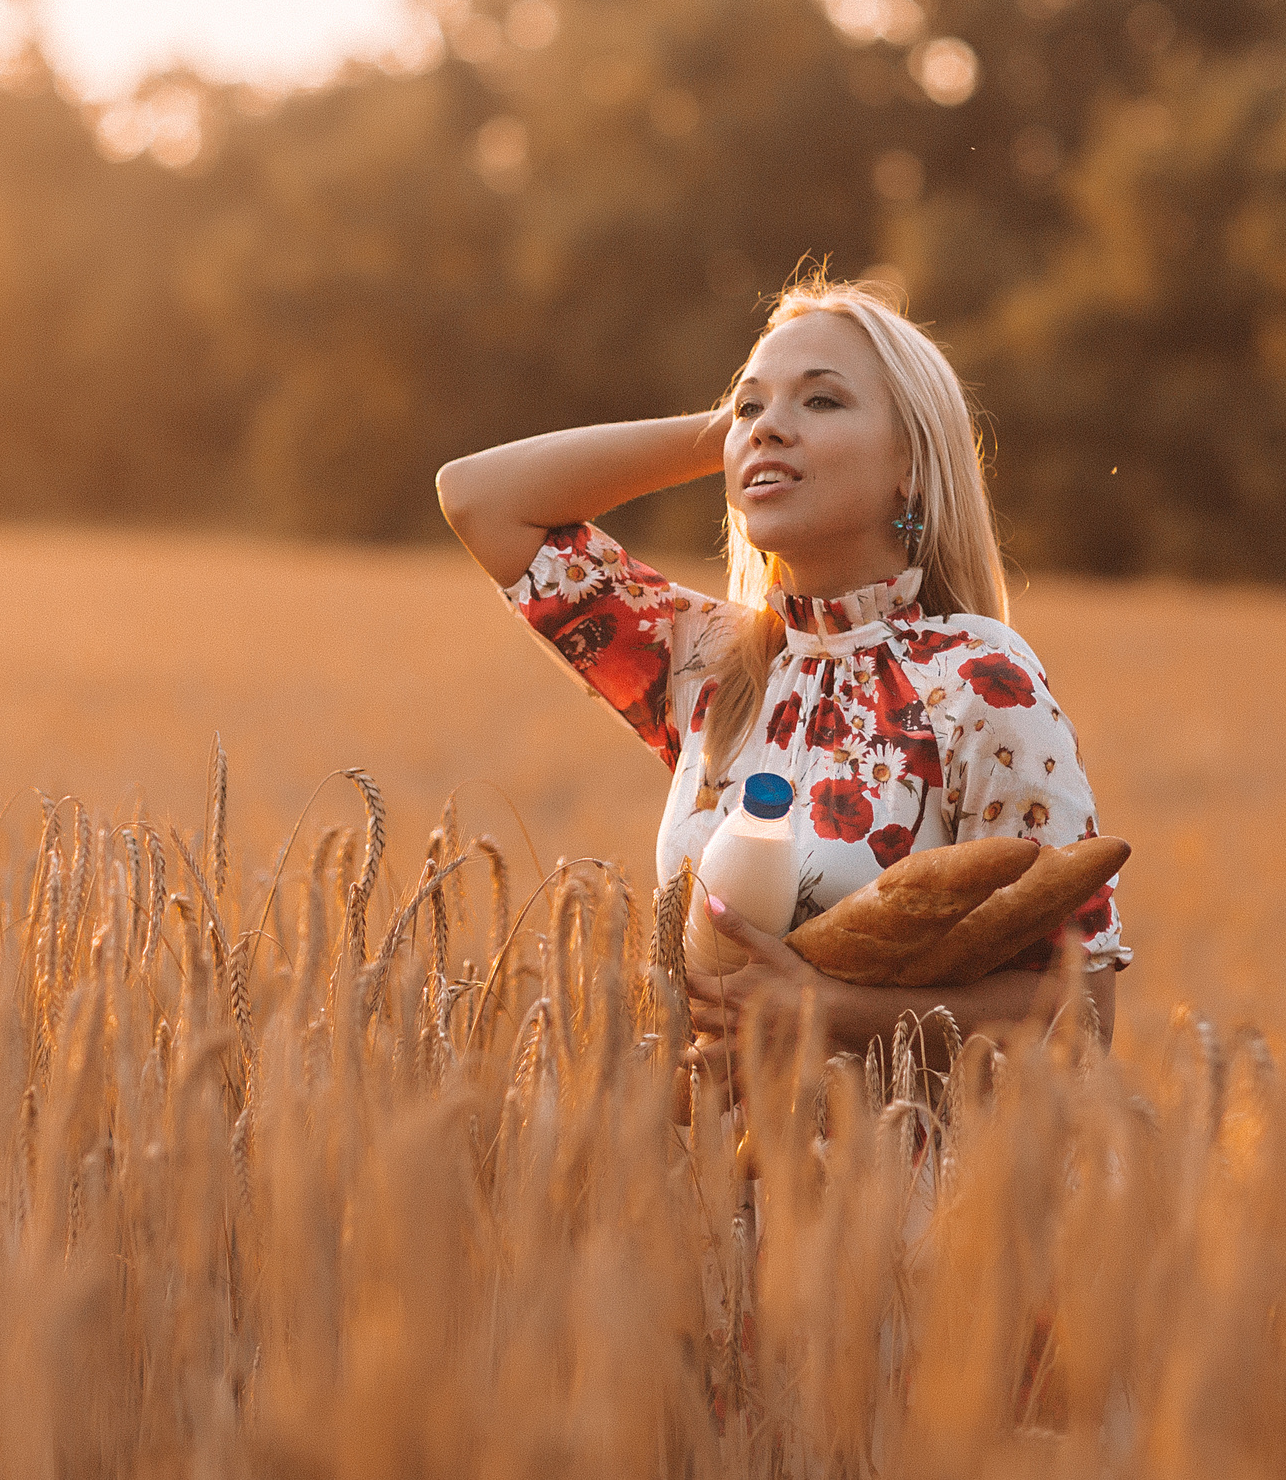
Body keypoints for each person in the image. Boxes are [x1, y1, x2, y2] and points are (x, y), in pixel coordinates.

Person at [434, 277, 1126, 1084]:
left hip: (907, 1198)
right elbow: (480, 497)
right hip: (715, 1195)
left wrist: (830, 1014)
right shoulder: (716, 663)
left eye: (823, 402)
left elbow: (1085, 1014)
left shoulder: (978, 674)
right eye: (749, 408)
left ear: (911, 464)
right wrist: (737, 434)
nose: (767, 429)